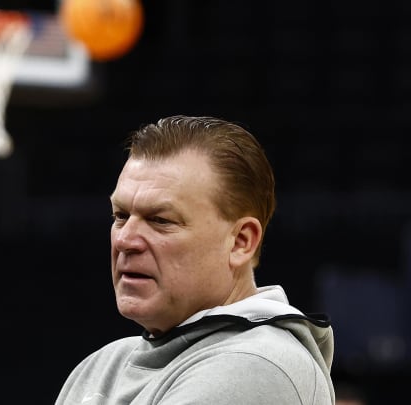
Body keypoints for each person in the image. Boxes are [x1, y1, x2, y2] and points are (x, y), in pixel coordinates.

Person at [54, 115, 335, 404]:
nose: (125, 240)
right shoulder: (100, 366)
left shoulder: (258, 365)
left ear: (241, 242)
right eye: (121, 216)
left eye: (160, 220)